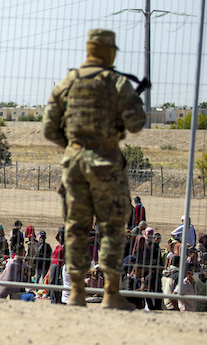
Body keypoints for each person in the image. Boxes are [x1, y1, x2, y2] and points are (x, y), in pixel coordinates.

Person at [42, 29, 145, 309]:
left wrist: (73, 146)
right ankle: (111, 294)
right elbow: (136, 123)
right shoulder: (115, 82)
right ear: (109, 51)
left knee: (76, 227)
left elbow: (49, 127)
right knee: (111, 227)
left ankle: (75, 292)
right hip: (106, 163)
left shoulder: (68, 82)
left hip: (73, 165)